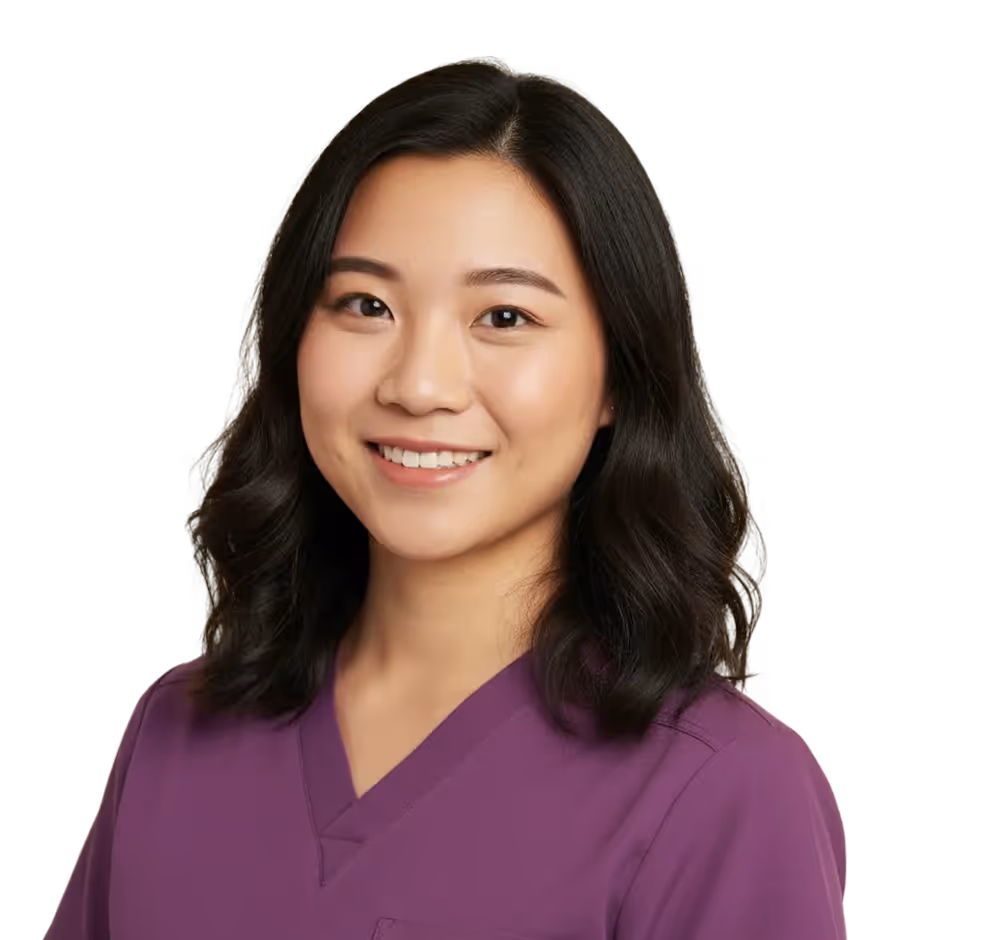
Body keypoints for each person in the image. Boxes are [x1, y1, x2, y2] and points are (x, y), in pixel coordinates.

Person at [46, 55, 846, 938]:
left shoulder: (727, 791)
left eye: (503, 318)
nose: (420, 386)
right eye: (365, 305)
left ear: (620, 370)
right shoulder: (174, 728)